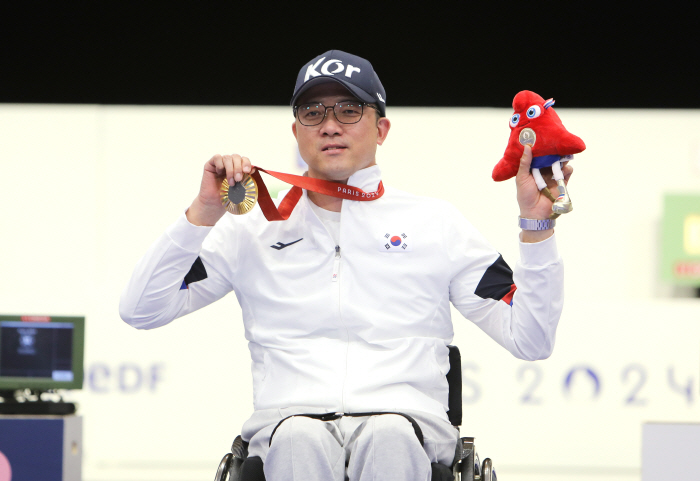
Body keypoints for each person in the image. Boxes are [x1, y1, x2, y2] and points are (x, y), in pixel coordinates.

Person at [120, 49, 570, 481]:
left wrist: (537, 225)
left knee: (387, 435)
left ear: (382, 128)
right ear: (296, 132)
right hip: (286, 424)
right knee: (300, 437)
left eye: (349, 110)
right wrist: (202, 212)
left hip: (408, 426)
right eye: (313, 112)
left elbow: (530, 337)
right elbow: (141, 309)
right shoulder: (250, 231)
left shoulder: (435, 223)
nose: (330, 126)